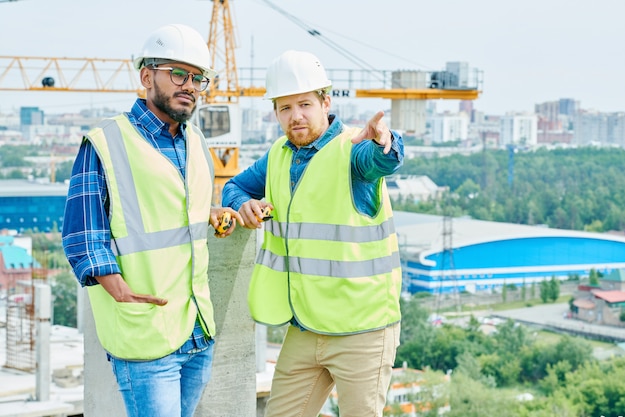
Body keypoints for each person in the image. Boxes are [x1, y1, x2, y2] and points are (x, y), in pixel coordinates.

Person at [61, 23, 242, 417]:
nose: (190, 85)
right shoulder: (107, 142)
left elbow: (167, 208)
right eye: (178, 73)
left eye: (199, 78)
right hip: (146, 332)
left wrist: (209, 214)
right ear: (147, 76)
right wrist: (119, 290)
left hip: (197, 328)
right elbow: (82, 232)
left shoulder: (197, 142)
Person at [222, 50, 404, 417]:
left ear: (325, 101)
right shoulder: (278, 155)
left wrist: (387, 143)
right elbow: (234, 186)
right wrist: (243, 204)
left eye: (305, 104)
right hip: (305, 326)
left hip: (362, 330)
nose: (296, 116)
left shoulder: (353, 151)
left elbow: (382, 159)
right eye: (285, 108)